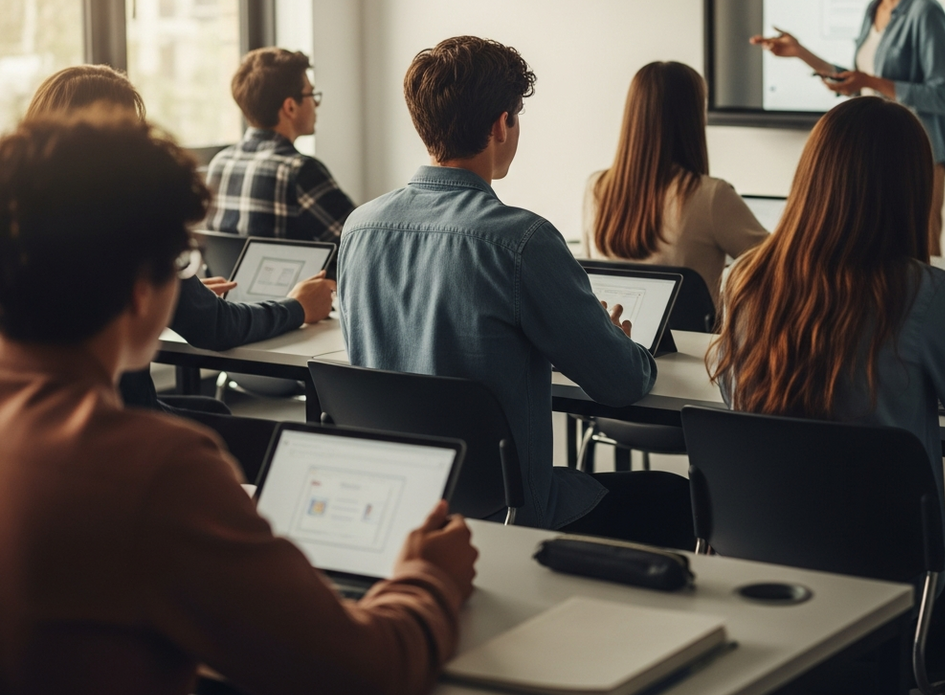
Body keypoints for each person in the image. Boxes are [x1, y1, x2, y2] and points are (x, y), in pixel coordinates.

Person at [0, 112, 477, 695]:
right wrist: (428, 578)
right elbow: (365, 681)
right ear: (141, 289)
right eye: (180, 260)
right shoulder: (155, 470)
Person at [338, 36, 695, 549]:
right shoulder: (522, 240)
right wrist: (615, 340)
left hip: (401, 503)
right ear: (501, 125)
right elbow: (622, 384)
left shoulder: (359, 227)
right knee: (676, 497)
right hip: (510, 513)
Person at [711, 96, 945, 695]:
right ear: (907, 191)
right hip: (903, 604)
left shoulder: (743, 282)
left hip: (766, 582)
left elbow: (738, 414)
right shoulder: (925, 296)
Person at [26, 65, 335, 415]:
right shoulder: (128, 217)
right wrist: (298, 307)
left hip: (36, 416)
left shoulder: (26, 218)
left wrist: (179, 292)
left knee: (210, 410)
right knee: (218, 419)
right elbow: (215, 328)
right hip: (117, 416)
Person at [750, 0, 945, 255]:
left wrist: (870, 80)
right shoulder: (873, 8)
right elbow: (859, 82)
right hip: (874, 148)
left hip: (916, 154)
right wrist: (801, 52)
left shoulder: (926, 12)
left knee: (922, 253)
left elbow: (942, 96)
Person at [582, 61, 767, 307]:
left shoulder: (596, 186)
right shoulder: (711, 195)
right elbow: (781, 264)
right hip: (690, 334)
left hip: (612, 331)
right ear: (692, 116)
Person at [205, 47, 356, 244]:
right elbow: (360, 240)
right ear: (290, 107)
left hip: (232, 268)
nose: (316, 104)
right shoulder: (299, 171)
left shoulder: (219, 163)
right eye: (311, 94)